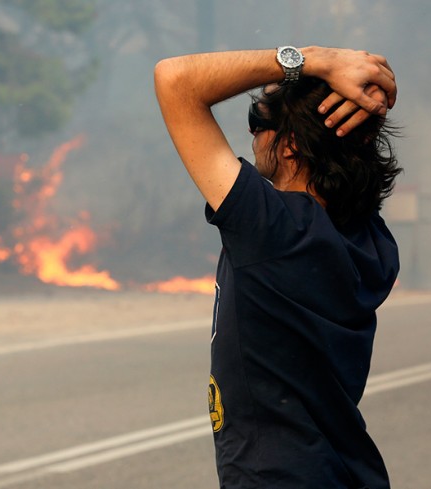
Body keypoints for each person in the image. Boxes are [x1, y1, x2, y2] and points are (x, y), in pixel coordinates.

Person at [154, 45, 402, 488]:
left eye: (258, 124)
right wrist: (365, 99)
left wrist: (314, 60)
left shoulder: (271, 229)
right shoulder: (371, 240)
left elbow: (175, 79)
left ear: (289, 146)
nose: (251, 139)